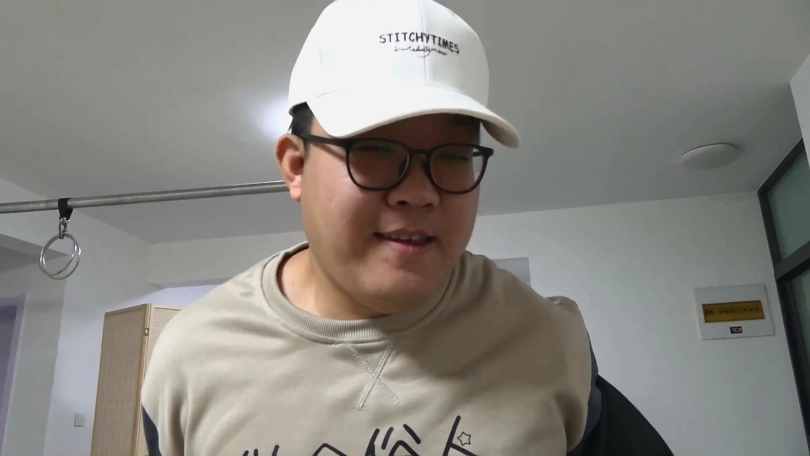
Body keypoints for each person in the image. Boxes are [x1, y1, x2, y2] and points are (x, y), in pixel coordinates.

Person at [141, 0, 598, 454]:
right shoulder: (192, 359)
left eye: (454, 155)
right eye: (374, 151)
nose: (419, 193)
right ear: (296, 166)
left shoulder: (547, 341)